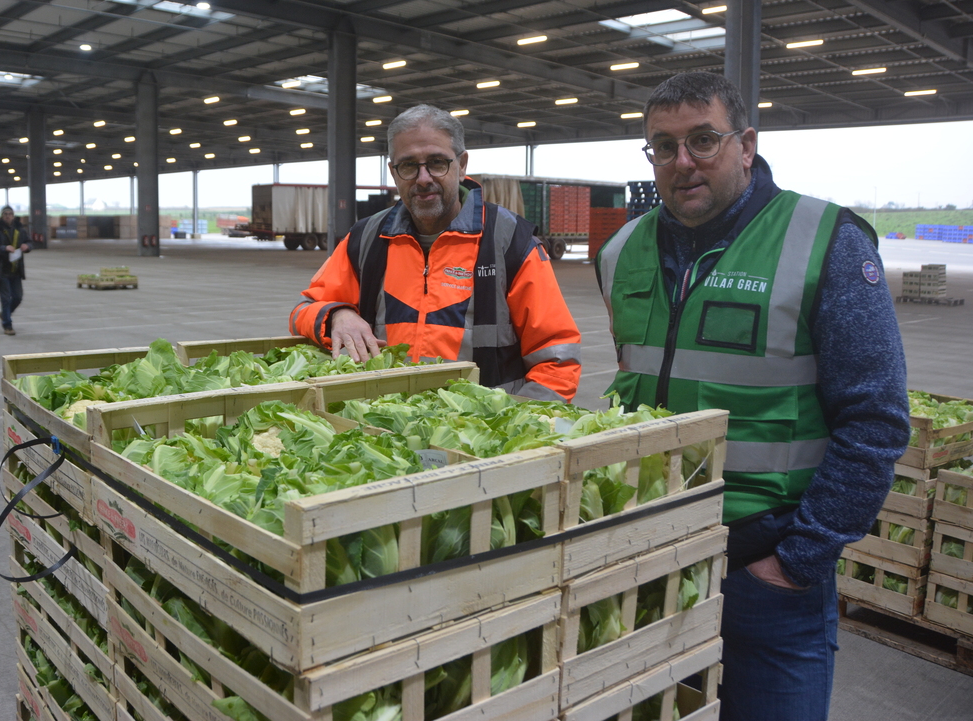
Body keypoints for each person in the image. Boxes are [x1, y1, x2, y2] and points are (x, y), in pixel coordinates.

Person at [595, 72, 909, 720]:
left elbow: (874, 420)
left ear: (746, 144)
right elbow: (629, 383)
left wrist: (800, 559)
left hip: (765, 568)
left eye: (703, 140)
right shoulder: (622, 251)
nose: (683, 162)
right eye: (662, 146)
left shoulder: (825, 241)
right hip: (643, 560)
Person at [290, 104, 582, 401]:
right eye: (408, 165)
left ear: (462, 164)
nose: (423, 178)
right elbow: (303, 310)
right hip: (384, 427)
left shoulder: (510, 241)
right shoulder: (366, 238)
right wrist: (337, 314)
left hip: (477, 438)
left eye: (437, 162)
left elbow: (557, 359)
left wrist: (508, 431)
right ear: (393, 172)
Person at [0, 205, 31, 336]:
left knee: (18, 297)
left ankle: (5, 314)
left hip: (16, 269)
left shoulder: (20, 229)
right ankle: (8, 325)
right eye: (5, 214)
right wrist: (3, 248)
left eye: (10, 214)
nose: (8, 216)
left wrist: (27, 246)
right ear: (2, 216)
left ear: (13, 216)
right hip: (1, 270)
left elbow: (29, 242)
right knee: (6, 299)